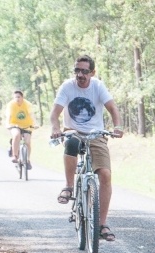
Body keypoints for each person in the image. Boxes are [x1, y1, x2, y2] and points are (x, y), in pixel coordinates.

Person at [50, 54, 123, 241]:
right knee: (72, 142)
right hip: (72, 131)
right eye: (77, 70)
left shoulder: (98, 86)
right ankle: (68, 186)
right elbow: (55, 113)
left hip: (95, 133)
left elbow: (113, 108)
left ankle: (102, 224)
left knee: (105, 174)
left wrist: (117, 126)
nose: (80, 75)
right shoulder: (67, 87)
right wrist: (56, 128)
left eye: (84, 71)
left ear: (92, 72)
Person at [5, 90, 36, 169]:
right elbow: (8, 116)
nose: (17, 99)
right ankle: (15, 156)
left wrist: (35, 124)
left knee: (27, 142)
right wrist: (7, 124)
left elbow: (31, 115)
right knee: (16, 135)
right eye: (15, 97)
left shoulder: (27, 104)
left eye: (19, 97)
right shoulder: (11, 105)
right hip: (15, 124)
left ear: (22, 97)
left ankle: (28, 160)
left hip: (27, 125)